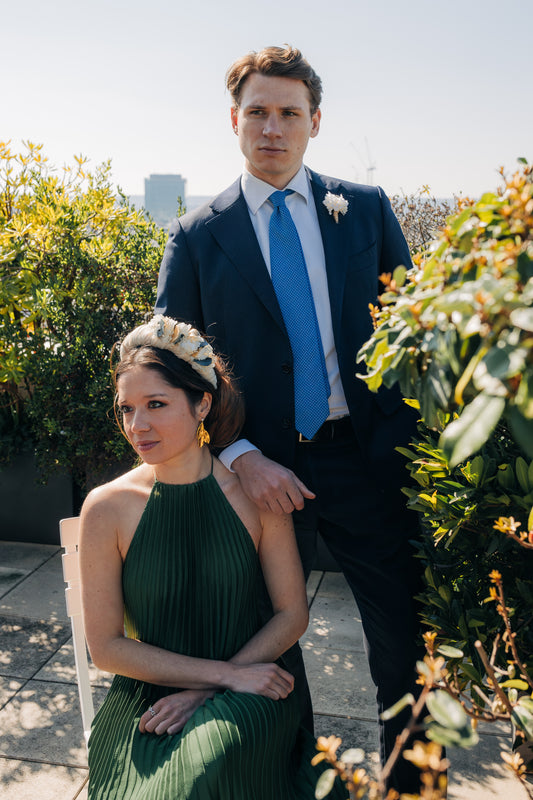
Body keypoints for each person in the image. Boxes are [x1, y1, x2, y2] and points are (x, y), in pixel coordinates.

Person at [154, 45, 424, 793]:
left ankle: (412, 784)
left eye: (289, 114)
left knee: (401, 638)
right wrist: (236, 451)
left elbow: (409, 330)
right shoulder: (197, 236)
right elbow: (172, 370)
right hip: (258, 471)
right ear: (234, 120)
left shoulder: (362, 209)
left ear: (314, 123)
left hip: (363, 460)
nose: (272, 128)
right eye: (258, 112)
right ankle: (289, 782)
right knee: (267, 641)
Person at [79, 315, 345, 800]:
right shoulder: (106, 508)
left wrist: (222, 685)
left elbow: (292, 614)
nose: (137, 426)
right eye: (127, 409)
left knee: (206, 771)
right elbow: (107, 649)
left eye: (156, 404)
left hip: (252, 691)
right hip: (149, 699)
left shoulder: (254, 493)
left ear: (202, 403)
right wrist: (221, 675)